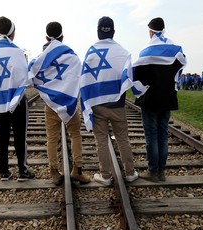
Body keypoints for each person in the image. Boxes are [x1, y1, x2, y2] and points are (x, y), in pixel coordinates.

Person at [80, 16, 147, 185]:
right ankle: (130, 173)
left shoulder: (91, 52)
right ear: (114, 31)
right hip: (117, 104)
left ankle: (105, 175)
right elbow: (128, 77)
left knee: (101, 141)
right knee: (123, 138)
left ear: (97, 31)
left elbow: (84, 79)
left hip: (97, 105)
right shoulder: (123, 53)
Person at [28, 21, 90, 186]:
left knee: (52, 138)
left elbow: (31, 74)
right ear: (62, 36)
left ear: (46, 37)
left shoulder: (40, 59)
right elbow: (78, 76)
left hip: (50, 104)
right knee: (75, 134)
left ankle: (54, 172)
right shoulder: (72, 57)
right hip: (68, 104)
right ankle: (77, 170)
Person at [133, 17, 187, 182]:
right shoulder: (176, 50)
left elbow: (137, 76)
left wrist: (138, 91)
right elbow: (179, 70)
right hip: (168, 97)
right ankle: (162, 171)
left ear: (151, 32)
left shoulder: (146, 52)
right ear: (163, 30)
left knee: (151, 135)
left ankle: (153, 171)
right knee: (163, 134)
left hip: (150, 99)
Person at [0, 16, 35, 182]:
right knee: (20, 135)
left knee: (2, 135)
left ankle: (3, 171)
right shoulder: (17, 51)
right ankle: (22, 170)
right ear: (13, 32)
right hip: (16, 100)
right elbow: (23, 77)